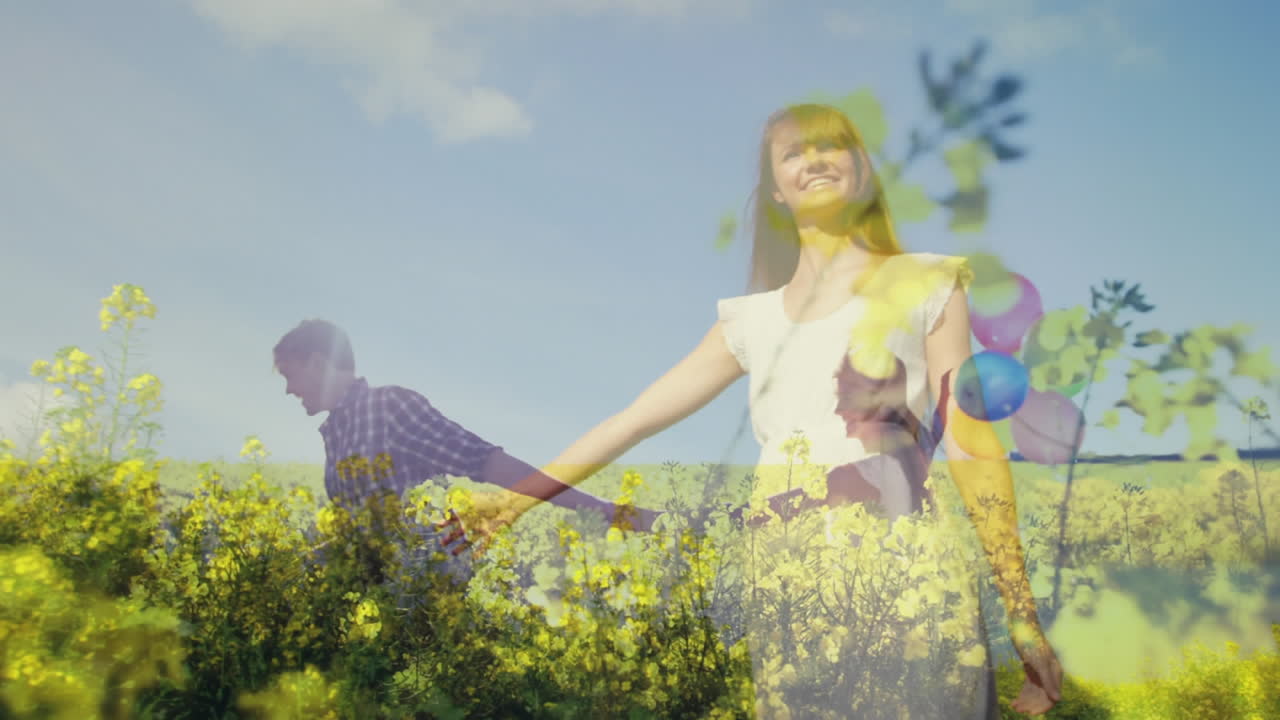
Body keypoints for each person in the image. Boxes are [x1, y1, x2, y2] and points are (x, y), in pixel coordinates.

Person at [443, 104, 1063, 717]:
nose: (815, 159)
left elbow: (971, 444)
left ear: (863, 168)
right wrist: (513, 500)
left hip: (909, 572)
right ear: (775, 191)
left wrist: (1020, 610)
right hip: (789, 590)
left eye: (831, 145)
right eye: (794, 151)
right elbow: (629, 422)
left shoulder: (927, 282)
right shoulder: (750, 323)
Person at [272, 319, 657, 587]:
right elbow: (360, 529)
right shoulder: (335, 433)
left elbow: (486, 461)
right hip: (373, 591)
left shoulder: (388, 406)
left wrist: (606, 512)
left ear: (319, 363)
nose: (289, 390)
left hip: (425, 584)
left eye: (290, 375)